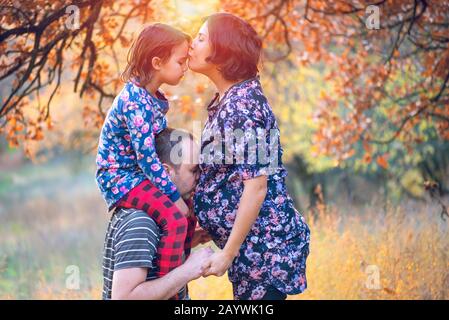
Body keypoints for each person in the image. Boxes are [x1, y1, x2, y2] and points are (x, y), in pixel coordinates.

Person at [188, 13, 311, 300]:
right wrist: (209, 226)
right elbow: (230, 177)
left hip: (266, 254)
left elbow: (256, 188)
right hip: (253, 254)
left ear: (222, 51)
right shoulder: (231, 101)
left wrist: (226, 256)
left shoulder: (244, 106)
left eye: (201, 38)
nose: (191, 43)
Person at [95, 24, 195, 287]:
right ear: (157, 62)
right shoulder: (134, 102)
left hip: (137, 175)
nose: (186, 67)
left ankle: (176, 265)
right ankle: (168, 288)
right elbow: (148, 159)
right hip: (120, 178)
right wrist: (174, 198)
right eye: (181, 61)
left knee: (187, 216)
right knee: (175, 218)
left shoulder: (151, 98)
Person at [102, 128, 213, 300]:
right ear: (165, 172)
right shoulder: (141, 222)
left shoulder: (159, 215)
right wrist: (188, 270)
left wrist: (190, 241)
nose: (200, 177)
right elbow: (124, 298)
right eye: (193, 170)